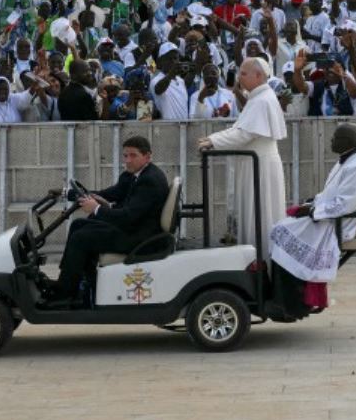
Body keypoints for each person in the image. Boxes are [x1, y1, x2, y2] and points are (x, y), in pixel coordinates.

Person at [267, 121, 356, 316]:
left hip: (339, 224)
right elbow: (331, 195)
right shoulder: (345, 160)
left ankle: (291, 303)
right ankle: (286, 297)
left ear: (346, 141)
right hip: (329, 217)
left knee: (281, 232)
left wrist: (312, 212)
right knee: (281, 229)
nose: (331, 141)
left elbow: (346, 205)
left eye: (335, 138)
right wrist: (310, 205)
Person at [49, 136, 170, 308]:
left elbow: (128, 216)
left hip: (140, 238)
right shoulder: (134, 176)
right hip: (134, 229)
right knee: (78, 225)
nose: (127, 160)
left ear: (147, 157)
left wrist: (96, 209)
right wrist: (69, 193)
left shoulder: (149, 181)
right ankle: (73, 280)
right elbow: (110, 193)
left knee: (81, 238)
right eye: (125, 155)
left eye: (133, 156)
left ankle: (65, 294)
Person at [200, 57, 289, 244]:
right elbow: (239, 130)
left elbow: (245, 134)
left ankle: (261, 262)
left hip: (260, 166)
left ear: (258, 75)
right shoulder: (258, 98)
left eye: (243, 73)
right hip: (256, 164)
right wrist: (212, 139)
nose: (239, 78)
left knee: (260, 214)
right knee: (256, 213)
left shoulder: (262, 100)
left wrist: (213, 141)